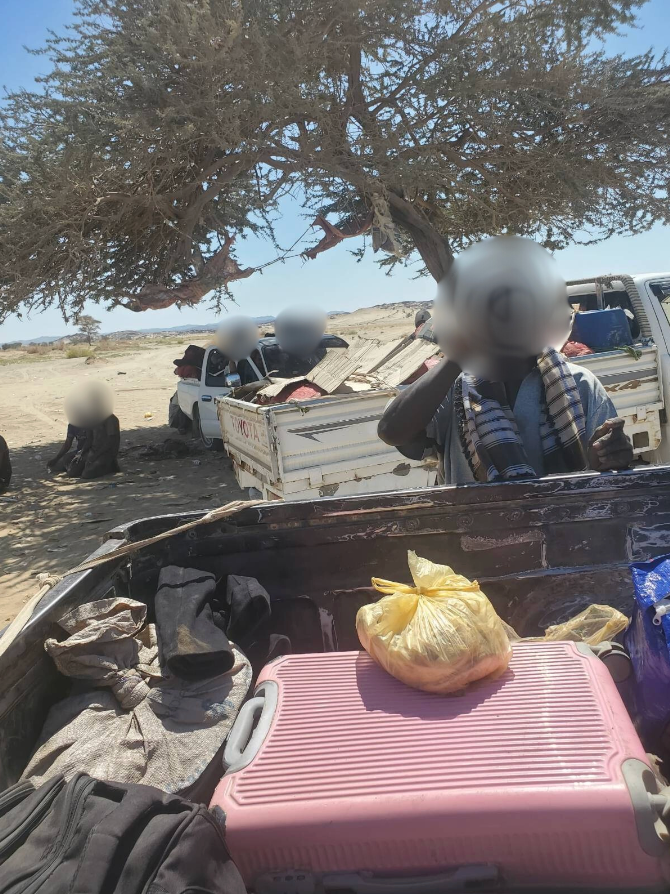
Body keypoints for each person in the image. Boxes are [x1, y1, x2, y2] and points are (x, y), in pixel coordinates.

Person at [378, 351, 633, 485]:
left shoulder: (580, 384)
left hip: (562, 542)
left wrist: (609, 458)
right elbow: (391, 430)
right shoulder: (452, 389)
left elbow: (608, 477)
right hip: (475, 551)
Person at [68, 413, 121, 479]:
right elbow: (89, 439)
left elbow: (111, 442)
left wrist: (95, 455)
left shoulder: (110, 419)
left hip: (106, 453)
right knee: (72, 472)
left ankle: (110, 467)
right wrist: (82, 452)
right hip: (93, 451)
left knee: (87, 474)